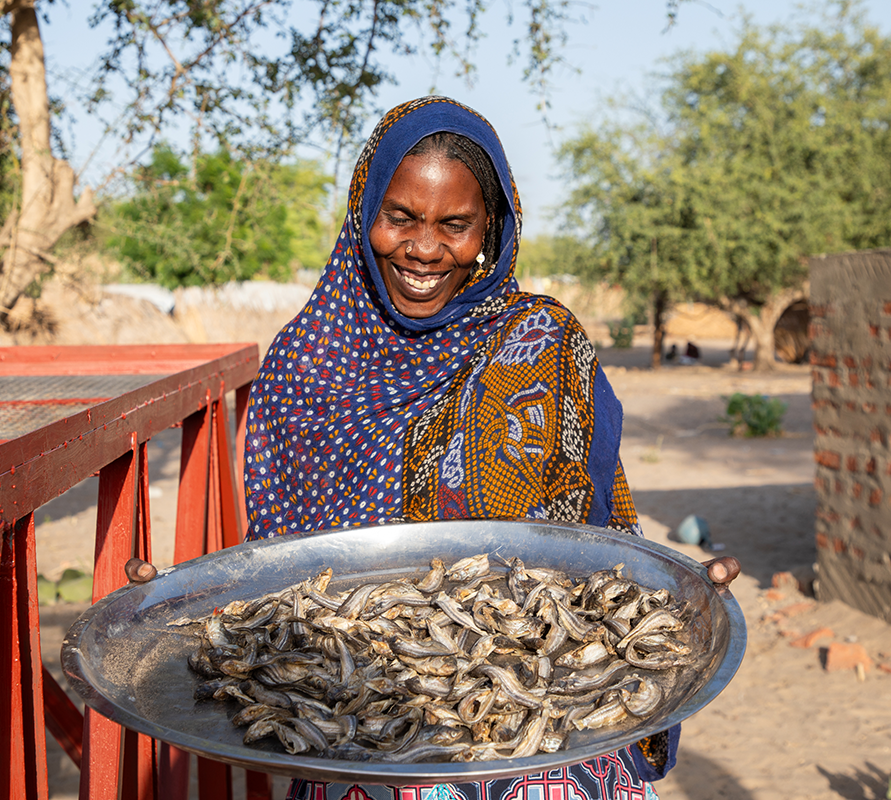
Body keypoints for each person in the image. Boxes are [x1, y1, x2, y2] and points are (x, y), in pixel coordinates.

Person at [241, 96, 740, 800]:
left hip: (548, 724)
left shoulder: (540, 345)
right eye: (400, 218)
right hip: (366, 732)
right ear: (363, 213)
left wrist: (672, 593)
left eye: (455, 225)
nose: (423, 249)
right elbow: (278, 585)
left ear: (491, 230)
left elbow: (587, 551)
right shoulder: (307, 363)